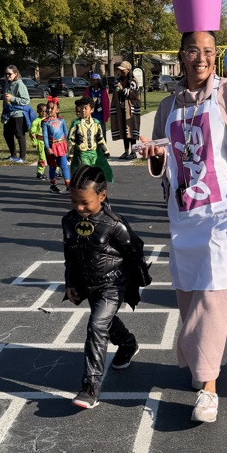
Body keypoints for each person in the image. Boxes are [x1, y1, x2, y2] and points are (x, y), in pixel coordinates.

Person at [138, 0, 227, 424]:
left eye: (210, 52)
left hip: (222, 214)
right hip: (183, 215)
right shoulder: (168, 104)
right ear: (180, 55)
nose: (202, 59)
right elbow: (163, 165)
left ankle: (209, 386)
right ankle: (195, 359)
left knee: (214, 297)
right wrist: (156, 158)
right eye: (194, 50)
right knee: (188, 295)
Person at [62, 166, 152, 409]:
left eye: (84, 202)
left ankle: (90, 386)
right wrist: (70, 282)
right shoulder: (69, 221)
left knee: (97, 324)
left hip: (113, 284)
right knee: (105, 322)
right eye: (73, 201)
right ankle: (127, 343)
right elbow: (70, 254)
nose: (78, 208)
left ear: (102, 195)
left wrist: (139, 280)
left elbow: (135, 249)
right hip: (88, 283)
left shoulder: (114, 224)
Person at [69, 96, 112, 181]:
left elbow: (100, 138)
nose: (83, 110)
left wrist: (106, 151)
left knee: (94, 170)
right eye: (81, 108)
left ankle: (91, 186)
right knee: (86, 169)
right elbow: (71, 140)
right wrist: (70, 154)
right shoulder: (77, 124)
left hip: (93, 153)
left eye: (85, 108)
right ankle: (85, 186)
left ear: (91, 110)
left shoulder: (96, 123)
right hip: (83, 153)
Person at [110, 61, 140, 159]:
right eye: (120, 70)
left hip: (131, 109)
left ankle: (133, 152)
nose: (121, 72)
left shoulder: (133, 81)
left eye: (123, 70)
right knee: (124, 130)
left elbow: (132, 94)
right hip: (121, 108)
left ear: (128, 70)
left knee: (131, 130)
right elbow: (116, 91)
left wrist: (122, 88)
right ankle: (126, 151)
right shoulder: (119, 79)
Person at [1, 65, 29, 163]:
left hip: (18, 114)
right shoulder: (7, 84)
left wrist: (12, 98)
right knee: (7, 134)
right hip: (8, 113)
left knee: (19, 135)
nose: (8, 75)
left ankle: (22, 157)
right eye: (6, 74)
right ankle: (13, 155)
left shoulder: (19, 85)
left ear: (15, 74)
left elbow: (26, 100)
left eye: (10, 74)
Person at [42, 100, 70, 194]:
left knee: (64, 166)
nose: (49, 110)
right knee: (52, 166)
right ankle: (53, 185)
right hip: (51, 147)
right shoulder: (45, 122)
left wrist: (69, 142)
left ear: (57, 110)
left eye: (51, 108)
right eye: (48, 108)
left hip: (61, 146)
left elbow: (65, 132)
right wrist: (47, 147)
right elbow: (45, 135)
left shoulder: (61, 120)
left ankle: (68, 185)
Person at [84, 72, 111, 140]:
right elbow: (84, 101)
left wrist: (107, 115)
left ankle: (103, 150)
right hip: (91, 116)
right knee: (92, 134)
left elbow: (107, 103)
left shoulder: (103, 91)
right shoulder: (88, 90)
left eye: (94, 80)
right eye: (91, 80)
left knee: (102, 134)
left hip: (100, 116)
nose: (92, 81)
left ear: (98, 81)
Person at [29, 102, 48, 180]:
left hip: (48, 142)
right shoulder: (36, 121)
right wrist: (34, 142)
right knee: (42, 157)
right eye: (41, 111)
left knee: (52, 157)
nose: (43, 113)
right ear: (38, 111)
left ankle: (56, 171)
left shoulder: (48, 119)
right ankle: (40, 172)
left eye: (45, 111)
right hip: (40, 141)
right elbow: (32, 133)